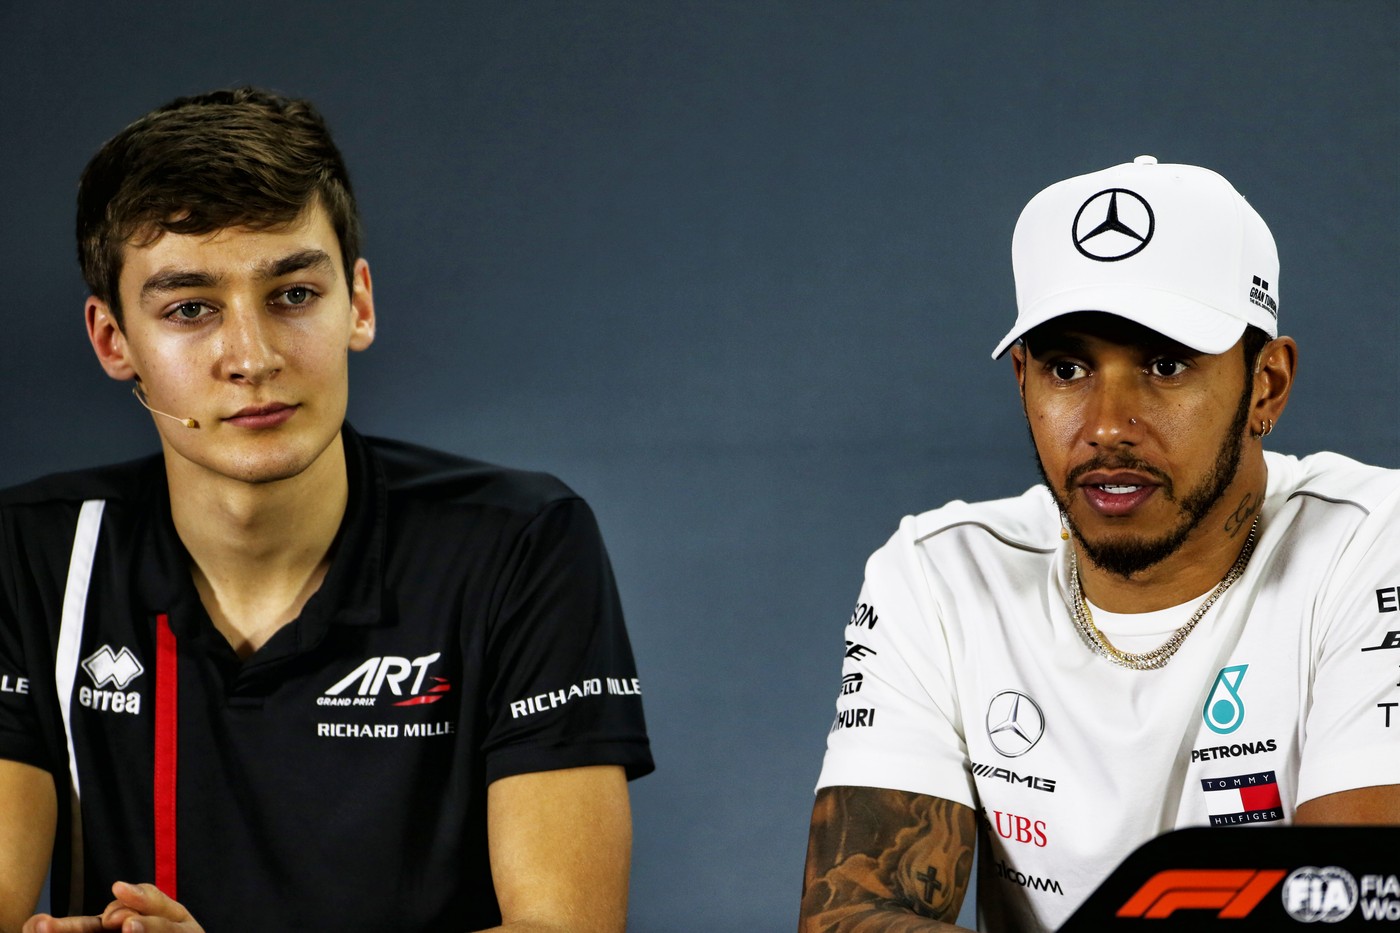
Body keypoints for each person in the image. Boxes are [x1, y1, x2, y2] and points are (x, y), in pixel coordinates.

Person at [0, 87, 652, 933]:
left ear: (360, 303)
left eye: (294, 294)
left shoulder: (519, 540)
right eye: (190, 309)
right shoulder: (30, 554)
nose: (253, 356)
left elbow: (567, 930)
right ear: (112, 340)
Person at [799, 156, 1400, 932]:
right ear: (1023, 380)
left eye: (1165, 363)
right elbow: (856, 912)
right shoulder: (938, 574)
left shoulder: (1371, 542)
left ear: (1267, 385)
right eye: (1068, 366)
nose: (1108, 424)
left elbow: (1356, 905)